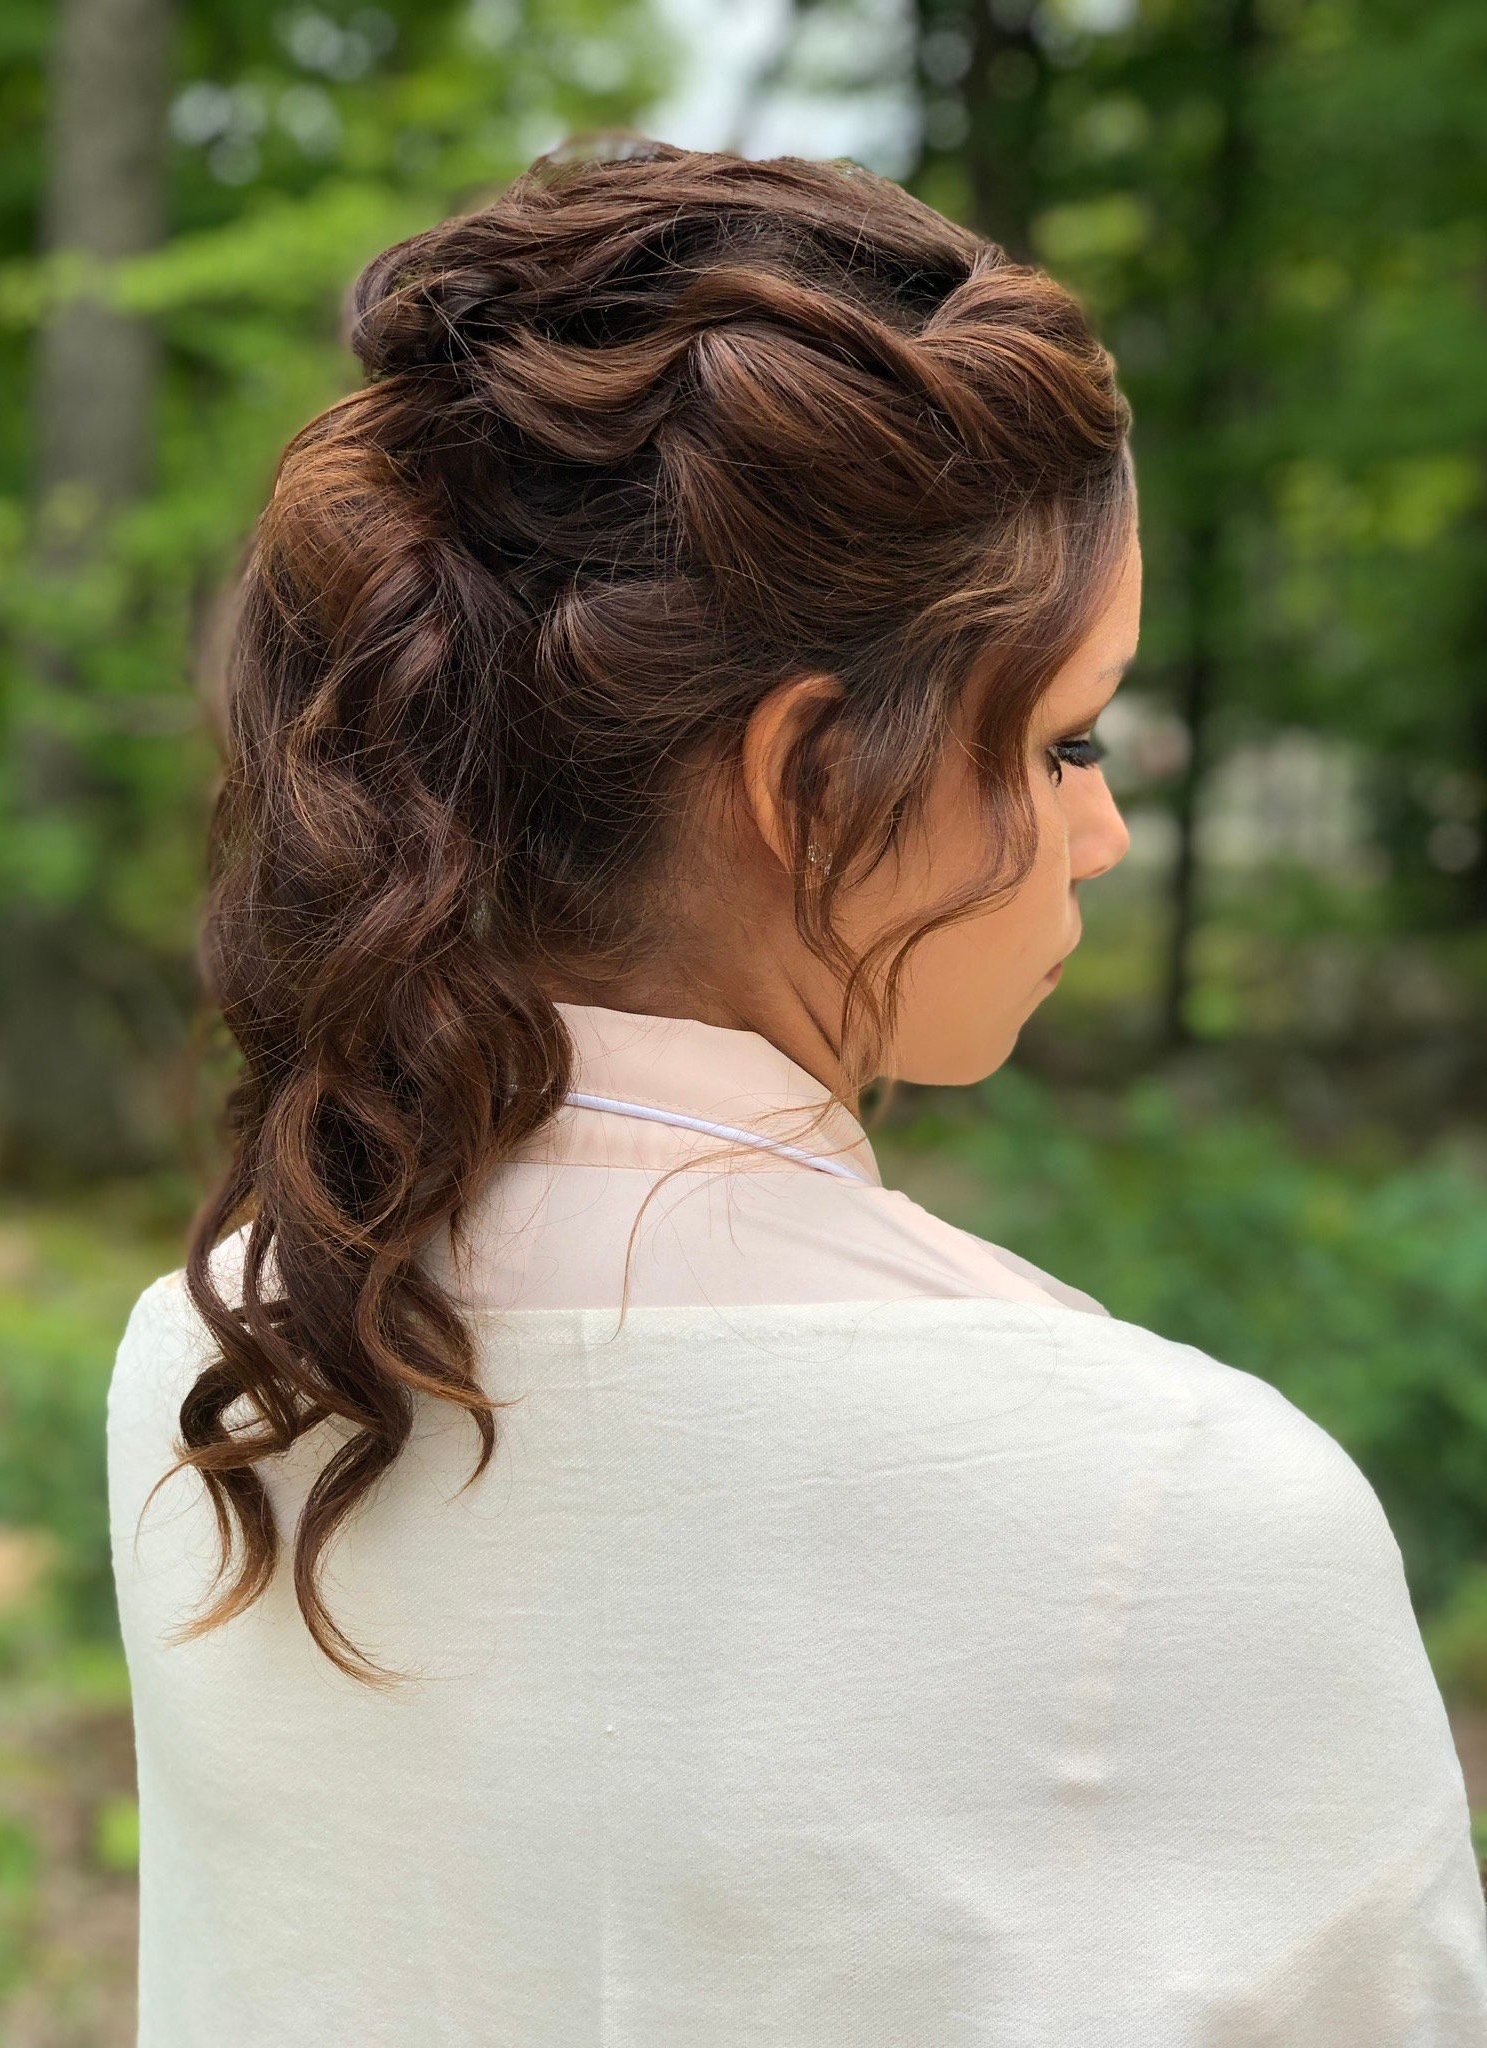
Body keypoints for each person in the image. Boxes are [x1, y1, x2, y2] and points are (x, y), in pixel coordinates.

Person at [106, 140, 1487, 2045]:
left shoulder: (233, 1351)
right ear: (814, 781)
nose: (1101, 833)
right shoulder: (1178, 1507)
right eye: (1067, 732)